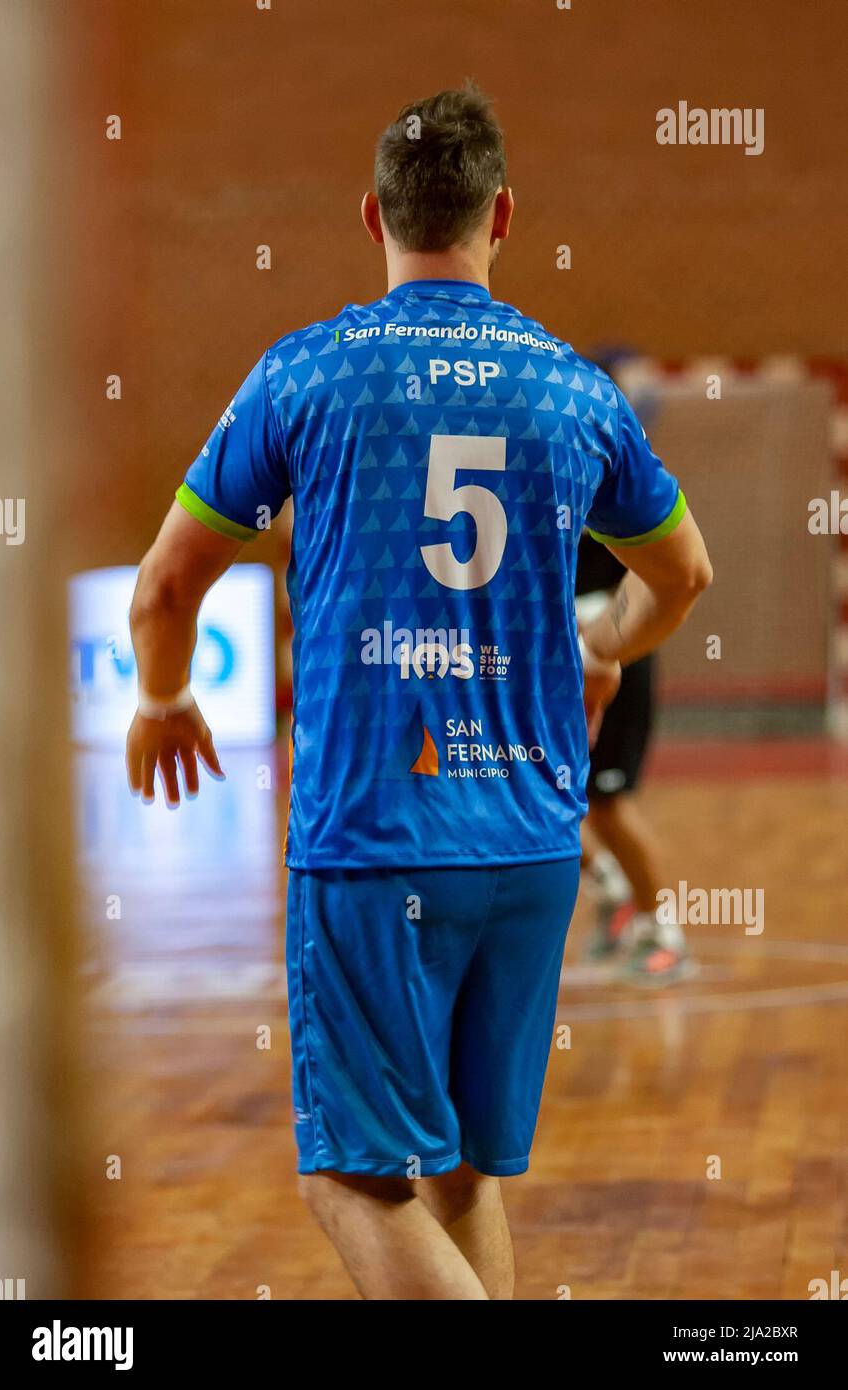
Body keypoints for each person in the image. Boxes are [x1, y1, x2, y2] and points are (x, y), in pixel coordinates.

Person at [125, 84, 712, 1300]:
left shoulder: (304, 374)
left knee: (352, 1181)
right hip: (532, 844)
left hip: (372, 844)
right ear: (503, 213)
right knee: (459, 1177)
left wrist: (163, 699)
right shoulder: (570, 386)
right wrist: (605, 635)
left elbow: (166, 586)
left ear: (369, 217)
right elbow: (685, 575)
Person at [576, 530, 693, 984]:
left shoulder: (614, 478)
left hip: (614, 656)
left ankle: (664, 933)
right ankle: (611, 889)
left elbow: (664, 576)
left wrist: (589, 625)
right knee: (537, 793)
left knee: (608, 805)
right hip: (552, 657)